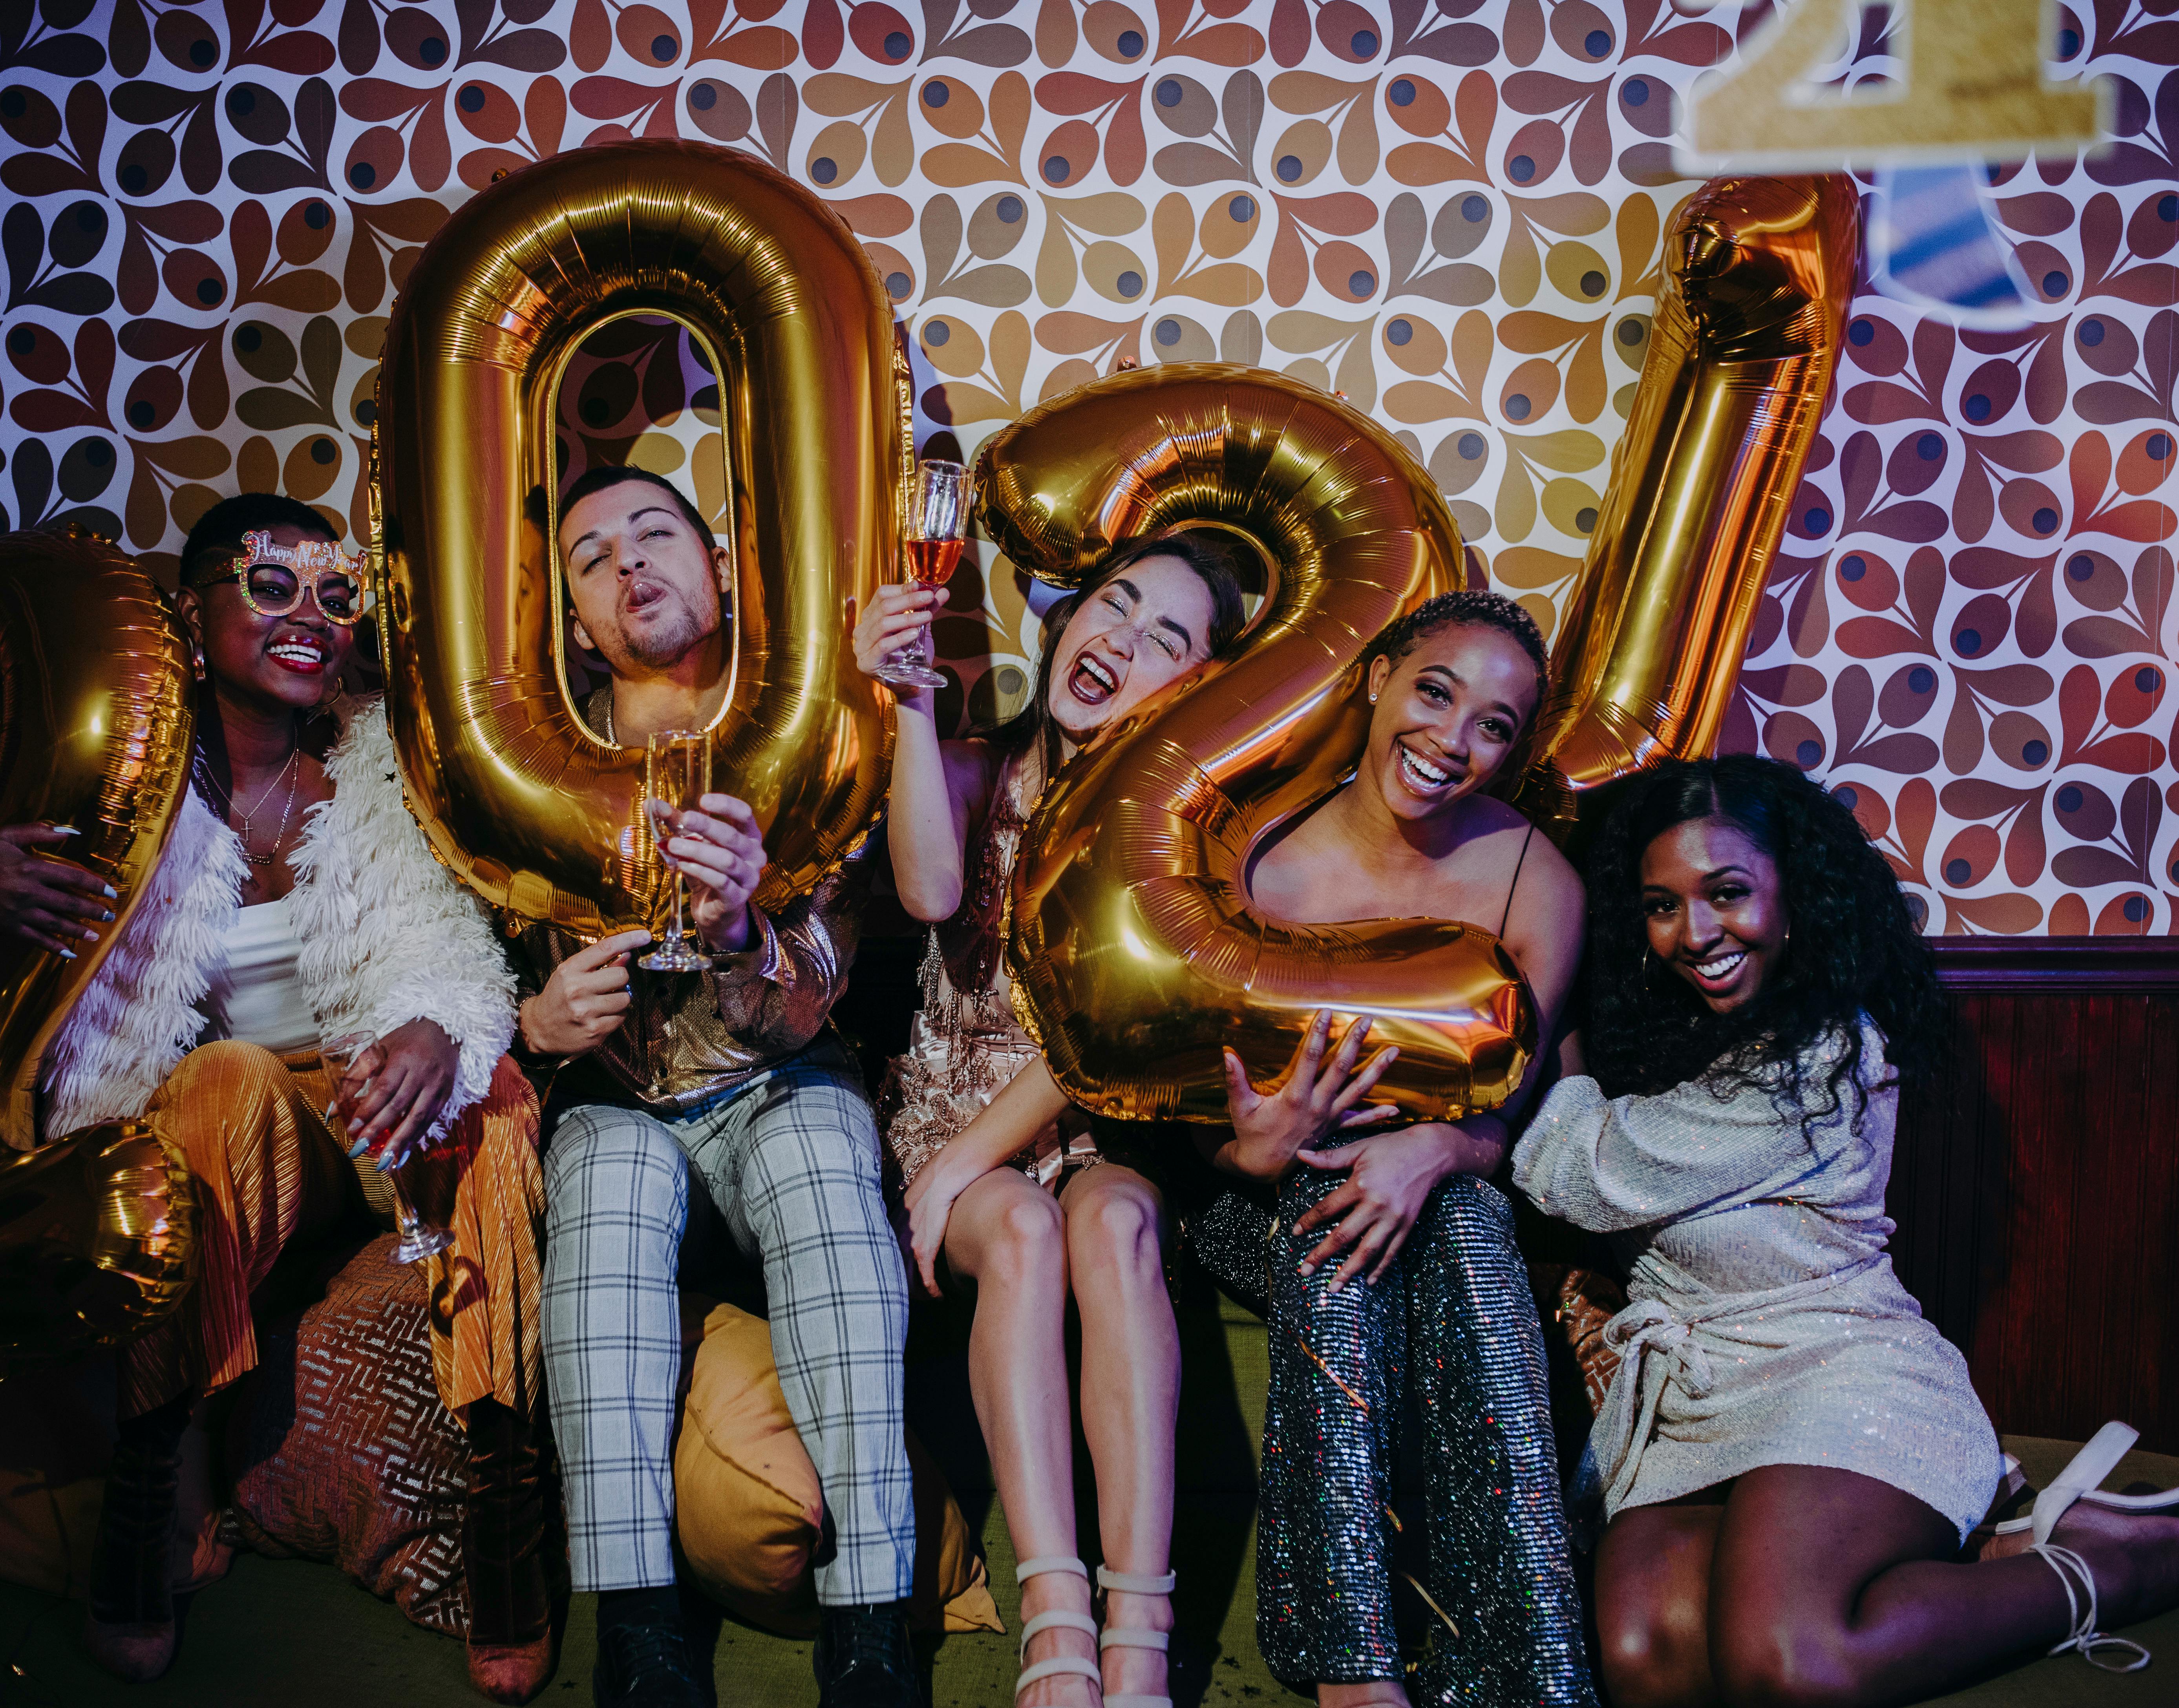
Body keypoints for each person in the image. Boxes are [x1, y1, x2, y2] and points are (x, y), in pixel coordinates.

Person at [0, 495, 558, 1701]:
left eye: (334, 594)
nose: (309, 617)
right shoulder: (93, 760)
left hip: (363, 1122)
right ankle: (150, 1481)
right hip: (215, 1140)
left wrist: (435, 1029)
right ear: (189, 614)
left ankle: (502, 1482)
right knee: (224, 1077)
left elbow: (453, 952)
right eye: (269, 585)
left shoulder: (386, 762)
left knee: (496, 1092)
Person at [1513, 753, 2179, 1706]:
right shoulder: (1663, 1039)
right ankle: (1986, 1545)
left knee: (1789, 1660)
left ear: (1795, 897)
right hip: (1696, 1400)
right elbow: (1590, 1155)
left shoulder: (1825, 1051)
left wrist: (1552, 996)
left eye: (1727, 892)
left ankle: (2115, 1569)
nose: (1693, 933)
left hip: (1838, 1374)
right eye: (1659, 905)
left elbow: (1578, 1171)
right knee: (1642, 1654)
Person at [514, 466, 915, 1708]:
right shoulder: (527, 759)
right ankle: (633, 1633)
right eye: (590, 559)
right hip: (619, 1103)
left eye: (652, 535)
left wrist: (744, 928)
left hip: (780, 1079)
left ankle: (873, 1628)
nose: (626, 564)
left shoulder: (805, 726)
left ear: (722, 565)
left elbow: (822, 992)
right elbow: (451, 975)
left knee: (818, 1170)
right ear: (577, 622)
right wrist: (535, 1024)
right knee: (609, 1191)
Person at [854, 534, 1249, 1708]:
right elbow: (925, 894)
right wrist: (911, 708)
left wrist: (970, 1165)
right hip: (949, 1105)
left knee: (1119, 1226)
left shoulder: (1178, 833)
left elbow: (1103, 1044)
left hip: (1094, 1111)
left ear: (1192, 689)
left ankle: (1139, 1632)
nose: (1119, 639)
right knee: (1020, 1230)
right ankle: (1056, 1623)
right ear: (1067, 618)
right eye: (1112, 604)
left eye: (1164, 637)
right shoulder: (981, 768)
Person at [1185, 589, 1594, 1706]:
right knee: (1331, 1234)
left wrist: (1441, 1152)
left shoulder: (1535, 885)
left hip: (1441, 1186)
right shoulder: (1255, 857)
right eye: (1433, 691)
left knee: (1463, 1223)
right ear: (1377, 680)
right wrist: (1260, 1155)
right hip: (1245, 1191)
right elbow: (1179, 1126)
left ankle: (1526, 1668)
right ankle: (1351, 1672)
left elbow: (1515, 1112)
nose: (1449, 741)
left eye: (1492, 726)